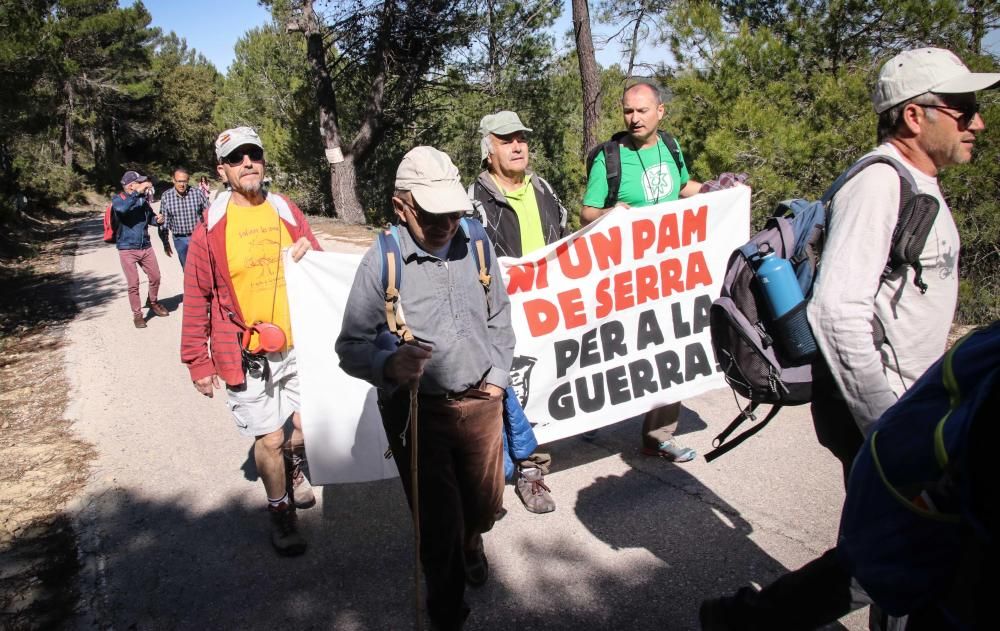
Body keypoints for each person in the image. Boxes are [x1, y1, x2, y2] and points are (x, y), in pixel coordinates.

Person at [699, 47, 997, 631]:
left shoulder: (914, 181)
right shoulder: (881, 184)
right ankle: (742, 620)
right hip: (887, 411)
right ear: (915, 116)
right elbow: (837, 312)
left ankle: (743, 620)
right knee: (891, 555)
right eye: (962, 109)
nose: (977, 121)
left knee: (896, 553)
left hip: (905, 409)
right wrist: (889, 426)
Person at [336, 146, 513, 631]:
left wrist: (497, 380)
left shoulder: (477, 242)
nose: (447, 225)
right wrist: (389, 365)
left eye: (454, 211)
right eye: (434, 215)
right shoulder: (383, 260)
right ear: (402, 206)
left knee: (483, 505)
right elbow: (350, 345)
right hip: (418, 413)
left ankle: (472, 540)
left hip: (482, 401)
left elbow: (499, 314)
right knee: (437, 526)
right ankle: (447, 611)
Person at [180, 126, 322, 557]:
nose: (248, 164)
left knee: (303, 426)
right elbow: (196, 297)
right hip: (246, 353)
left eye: (253, 155)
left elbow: (316, 257)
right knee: (269, 439)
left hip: (298, 344)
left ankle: (293, 469)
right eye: (237, 158)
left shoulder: (284, 209)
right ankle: (281, 514)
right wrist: (197, 362)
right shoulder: (211, 227)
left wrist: (307, 248)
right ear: (222, 170)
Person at [580, 80, 702, 463]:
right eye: (628, 111)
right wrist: (612, 215)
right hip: (624, 274)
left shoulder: (670, 146)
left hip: (667, 270)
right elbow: (587, 212)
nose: (634, 119)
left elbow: (682, 188)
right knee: (617, 348)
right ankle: (589, 413)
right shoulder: (610, 158)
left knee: (671, 347)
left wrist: (721, 191)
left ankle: (659, 435)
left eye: (642, 111)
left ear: (660, 111)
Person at [469, 110, 566, 514]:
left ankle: (530, 460)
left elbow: (564, 242)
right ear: (487, 150)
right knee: (509, 393)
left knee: (542, 384)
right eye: (506, 139)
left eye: (521, 138)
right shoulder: (473, 201)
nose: (518, 145)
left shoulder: (543, 189)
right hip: (499, 316)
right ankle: (526, 471)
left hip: (546, 309)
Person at [112, 170, 170, 329]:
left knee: (155, 276)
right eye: (140, 182)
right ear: (131, 185)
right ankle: (137, 315)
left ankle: (152, 302)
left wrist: (157, 220)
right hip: (127, 248)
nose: (143, 186)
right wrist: (136, 194)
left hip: (145, 245)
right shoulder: (119, 199)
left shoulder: (142, 200)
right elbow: (122, 210)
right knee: (133, 283)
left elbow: (149, 218)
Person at [158, 167, 209, 268]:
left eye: (184, 181)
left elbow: (209, 213)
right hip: (179, 240)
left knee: (203, 268)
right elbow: (164, 223)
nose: (182, 184)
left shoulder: (197, 193)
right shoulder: (166, 196)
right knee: (187, 270)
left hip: (198, 237)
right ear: (173, 180)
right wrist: (165, 243)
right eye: (179, 181)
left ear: (188, 180)